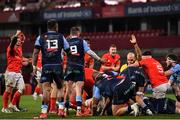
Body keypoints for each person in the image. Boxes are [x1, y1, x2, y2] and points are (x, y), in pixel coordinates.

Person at [62, 26, 105, 117]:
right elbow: (89, 52)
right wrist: (99, 59)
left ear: (70, 34)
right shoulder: (82, 41)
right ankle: (78, 111)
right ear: (78, 33)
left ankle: (64, 110)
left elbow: (62, 54)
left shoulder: (66, 42)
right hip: (79, 67)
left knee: (68, 89)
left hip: (69, 67)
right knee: (79, 89)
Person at [32, 19, 70, 119]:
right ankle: (61, 110)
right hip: (57, 65)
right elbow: (68, 50)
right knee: (60, 87)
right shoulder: (61, 36)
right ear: (56, 26)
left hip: (46, 66)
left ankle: (44, 113)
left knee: (46, 89)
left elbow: (35, 53)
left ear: (48, 27)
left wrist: (34, 66)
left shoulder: (40, 37)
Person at [129, 34, 169, 99]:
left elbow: (134, 65)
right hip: (165, 83)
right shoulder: (156, 61)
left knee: (156, 104)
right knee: (157, 101)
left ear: (145, 57)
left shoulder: (147, 60)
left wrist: (128, 66)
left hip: (158, 86)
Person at [2, 30, 26, 113]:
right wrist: (16, 34)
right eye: (18, 40)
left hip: (18, 72)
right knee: (8, 90)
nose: (20, 41)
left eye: (20, 40)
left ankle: (12, 104)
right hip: (11, 72)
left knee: (22, 88)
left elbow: (20, 60)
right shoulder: (10, 48)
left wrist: (28, 61)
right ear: (14, 41)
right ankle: (4, 108)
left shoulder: (19, 50)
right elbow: (12, 42)